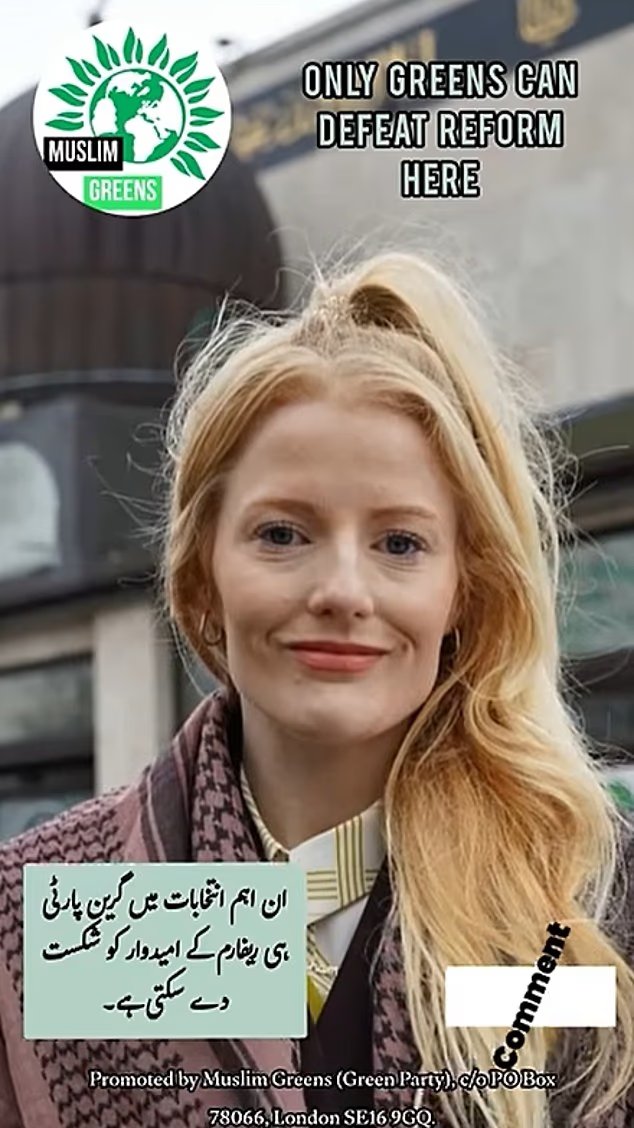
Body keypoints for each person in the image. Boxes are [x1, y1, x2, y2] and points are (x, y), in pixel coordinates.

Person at [0, 250, 632, 1128]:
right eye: (283, 534)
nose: (341, 590)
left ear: (464, 590)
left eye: (400, 543)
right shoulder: (55, 908)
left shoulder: (585, 895)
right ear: (202, 576)